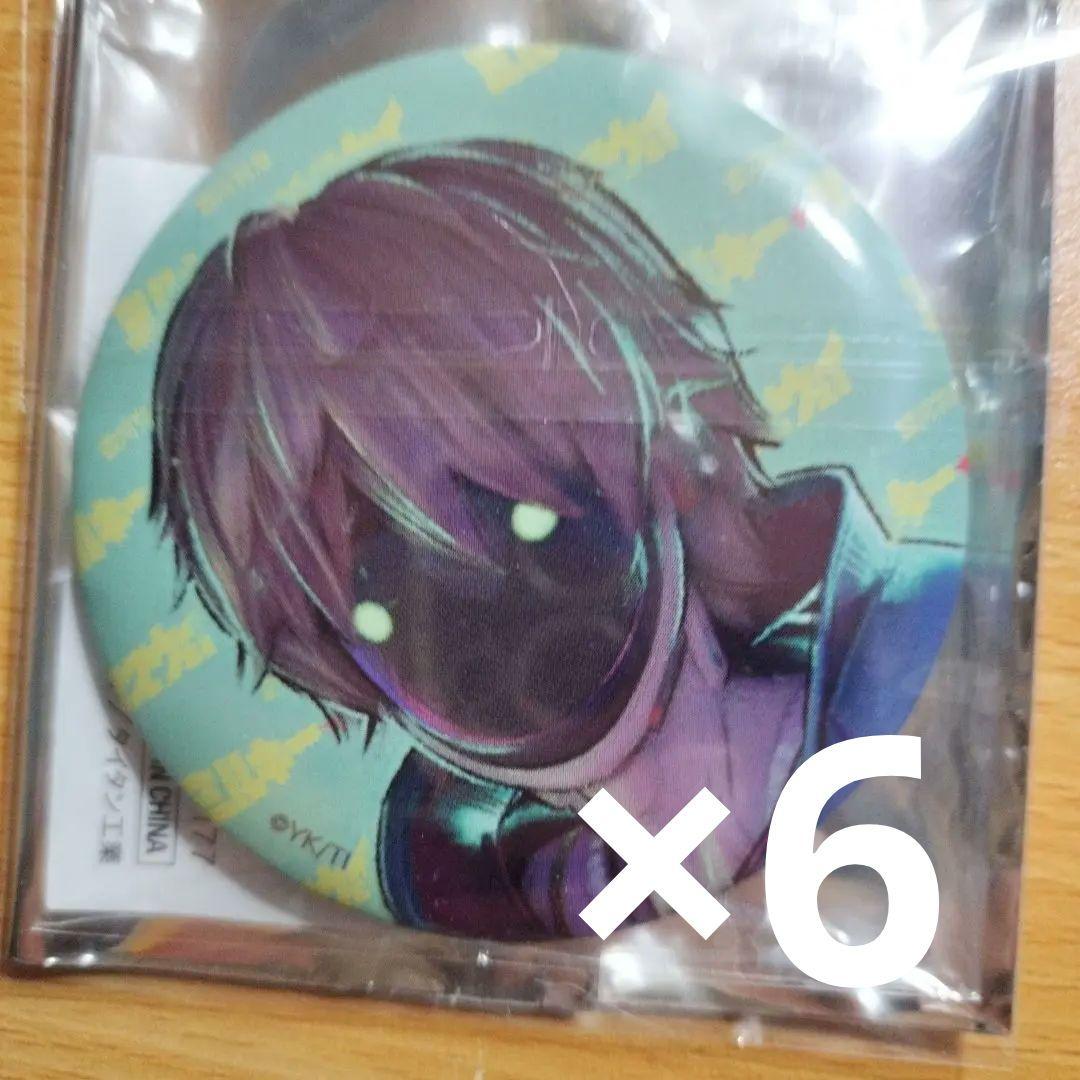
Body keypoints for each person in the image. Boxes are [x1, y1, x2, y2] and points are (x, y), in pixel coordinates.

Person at [151, 140, 961, 939]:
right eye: (393, 593)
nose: (493, 613)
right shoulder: (469, 886)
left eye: (524, 516)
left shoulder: (941, 650)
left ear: (664, 431)